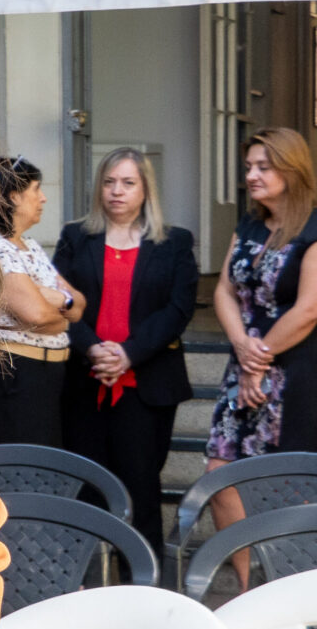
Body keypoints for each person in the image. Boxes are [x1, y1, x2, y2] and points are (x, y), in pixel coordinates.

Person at [56, 148, 198, 554]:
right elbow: (58, 299)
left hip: (145, 385)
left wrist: (128, 354)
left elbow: (178, 309)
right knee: (87, 490)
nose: (116, 191)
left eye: (128, 183)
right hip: (86, 383)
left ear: (146, 189)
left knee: (141, 489)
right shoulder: (75, 237)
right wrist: (92, 349)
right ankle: (85, 581)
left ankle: (142, 582)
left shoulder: (174, 242)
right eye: (109, 182)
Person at [204, 127, 317, 586]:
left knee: (291, 484)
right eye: (249, 166)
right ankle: (249, 587)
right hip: (245, 365)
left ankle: (293, 591)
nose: (251, 175)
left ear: (292, 170)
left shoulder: (313, 229)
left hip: (296, 374)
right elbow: (223, 290)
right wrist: (242, 347)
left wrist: (260, 359)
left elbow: (309, 309)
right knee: (220, 476)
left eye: (263, 167)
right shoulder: (248, 226)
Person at [0, 156, 83, 447]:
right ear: (14, 196)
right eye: (36, 189)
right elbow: (36, 314)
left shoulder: (30, 245)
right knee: (24, 460)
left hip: (44, 376)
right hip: (16, 375)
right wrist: (61, 313)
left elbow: (79, 304)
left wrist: (60, 301)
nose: (43, 198)